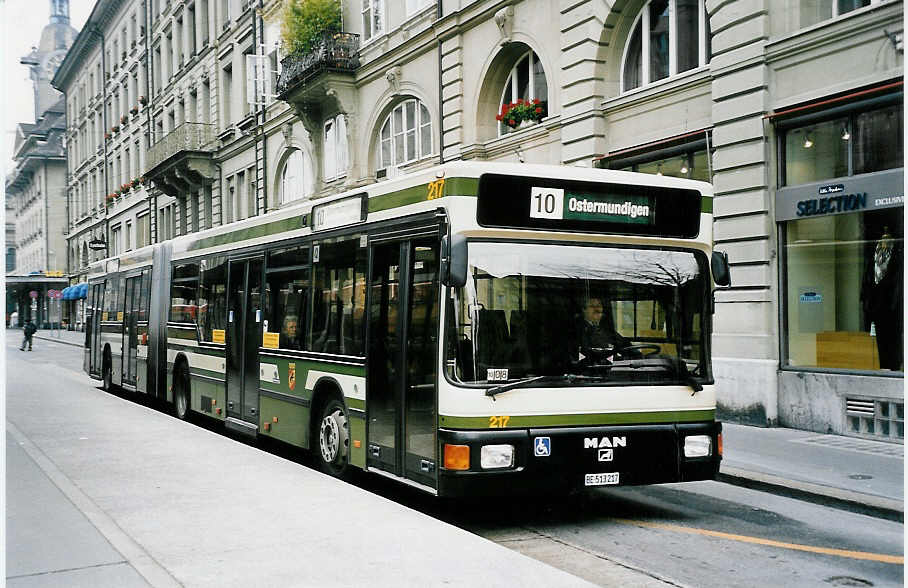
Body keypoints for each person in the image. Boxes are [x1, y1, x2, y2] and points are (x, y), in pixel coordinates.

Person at [578, 297, 628, 362]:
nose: (597, 309)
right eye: (592, 306)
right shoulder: (578, 330)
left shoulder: (607, 330)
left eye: (599, 306)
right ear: (584, 310)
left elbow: (626, 346)